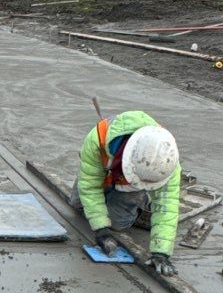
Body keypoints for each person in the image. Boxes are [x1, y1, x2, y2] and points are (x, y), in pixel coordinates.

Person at [71, 111, 181, 277]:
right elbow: (90, 186)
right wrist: (100, 228)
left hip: (129, 186)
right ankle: (113, 194)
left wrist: (161, 252)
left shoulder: (166, 158)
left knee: (116, 224)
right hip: (105, 171)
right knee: (78, 204)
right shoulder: (98, 138)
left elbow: (167, 205)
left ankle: (142, 203)